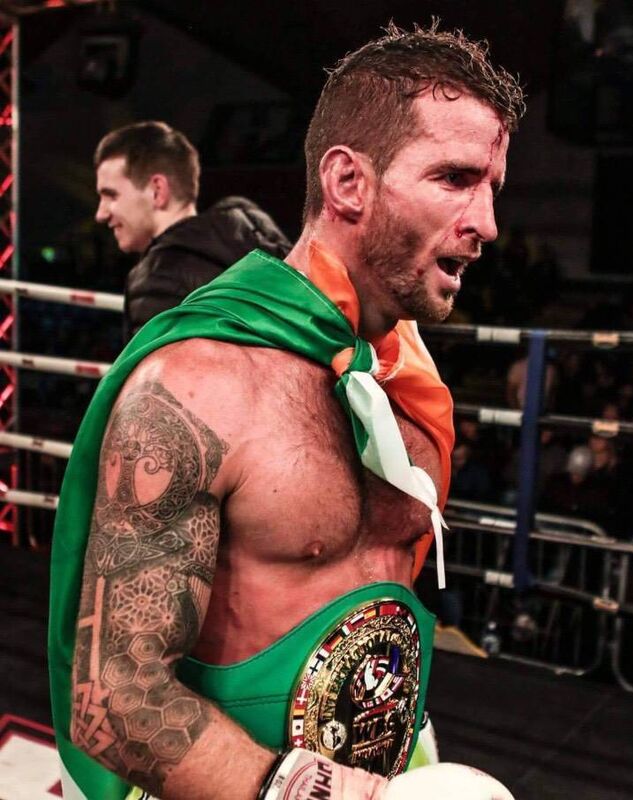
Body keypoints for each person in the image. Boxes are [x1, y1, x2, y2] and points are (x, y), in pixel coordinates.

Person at [49, 21, 525, 800]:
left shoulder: (404, 370)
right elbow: (118, 703)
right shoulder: (201, 386)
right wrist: (336, 794)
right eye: (454, 179)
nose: (487, 224)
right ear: (348, 183)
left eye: (491, 188)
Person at [94, 121, 291, 340]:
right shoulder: (251, 230)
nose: (101, 214)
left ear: (157, 190)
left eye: (111, 195)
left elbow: (163, 374)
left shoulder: (157, 277)